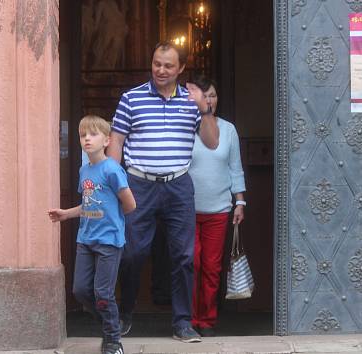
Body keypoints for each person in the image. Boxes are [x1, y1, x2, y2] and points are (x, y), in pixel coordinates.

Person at [107, 41, 219, 343]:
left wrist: (204, 109)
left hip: (179, 186)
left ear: (181, 68)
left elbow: (212, 142)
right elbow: (116, 141)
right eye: (157, 63)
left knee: (183, 256)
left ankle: (182, 323)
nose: (161, 70)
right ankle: (126, 311)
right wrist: (112, 182)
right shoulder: (131, 99)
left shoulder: (191, 101)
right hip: (139, 184)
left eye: (168, 65)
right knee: (132, 253)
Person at [48, 115, 136, 354]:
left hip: (109, 241)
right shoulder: (84, 170)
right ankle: (110, 324)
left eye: (93, 134)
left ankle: (113, 341)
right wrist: (66, 213)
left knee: (103, 293)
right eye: (83, 135)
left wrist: (112, 219)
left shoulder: (112, 169)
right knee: (80, 290)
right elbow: (88, 204)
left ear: (107, 140)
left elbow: (130, 204)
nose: (87, 138)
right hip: (85, 240)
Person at [188, 76, 246, 337]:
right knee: (191, 265)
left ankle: (207, 320)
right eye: (203, 96)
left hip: (219, 210)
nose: (207, 100)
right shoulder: (184, 127)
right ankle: (188, 319)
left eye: (211, 95)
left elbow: (235, 168)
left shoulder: (229, 130)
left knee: (211, 268)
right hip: (186, 210)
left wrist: (240, 201)